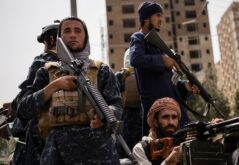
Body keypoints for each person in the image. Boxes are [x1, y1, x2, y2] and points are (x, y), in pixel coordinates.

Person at [18, 17, 121, 165]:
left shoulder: (101, 70)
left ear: (85, 37)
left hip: (98, 151)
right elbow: (23, 110)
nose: (72, 34)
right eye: (67, 31)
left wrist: (106, 115)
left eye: (77, 31)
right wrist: (54, 86)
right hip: (56, 152)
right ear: (60, 38)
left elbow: (116, 105)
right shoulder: (46, 72)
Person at [129, 1, 198, 136]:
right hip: (159, 118)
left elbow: (168, 84)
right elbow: (136, 59)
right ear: (146, 18)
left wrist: (184, 87)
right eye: (157, 15)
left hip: (173, 115)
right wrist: (162, 60)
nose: (161, 19)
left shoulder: (157, 45)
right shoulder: (138, 38)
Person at [9, 21, 60, 165]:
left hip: (39, 129)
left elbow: (26, 98)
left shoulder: (42, 60)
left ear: (50, 40)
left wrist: (13, 107)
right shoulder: (74, 62)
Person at [115, 49, 142, 158]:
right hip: (125, 116)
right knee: (124, 149)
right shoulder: (120, 76)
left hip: (140, 115)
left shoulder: (143, 75)